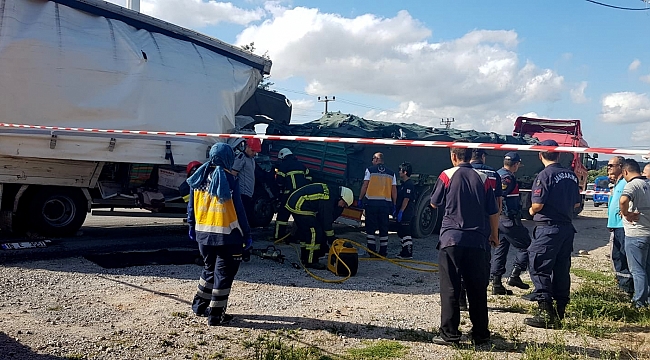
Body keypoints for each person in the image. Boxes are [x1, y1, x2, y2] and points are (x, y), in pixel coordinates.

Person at [429, 147, 500, 346]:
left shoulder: (446, 175)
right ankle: (481, 335)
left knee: (450, 287)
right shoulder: (483, 178)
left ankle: (450, 335)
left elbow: (434, 203)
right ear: (471, 157)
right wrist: (494, 235)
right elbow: (493, 211)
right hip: (478, 240)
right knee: (477, 289)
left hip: (451, 239)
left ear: (453, 156)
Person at [186, 143, 252, 326]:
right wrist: (247, 234)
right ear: (228, 158)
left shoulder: (197, 177)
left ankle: (199, 306)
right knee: (223, 276)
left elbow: (191, 207)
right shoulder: (230, 180)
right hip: (227, 236)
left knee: (208, 270)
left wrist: (192, 226)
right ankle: (216, 316)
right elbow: (239, 210)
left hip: (203, 236)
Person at [524, 139, 581, 329]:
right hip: (566, 228)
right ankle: (561, 309)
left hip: (548, 228)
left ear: (540, 155)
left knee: (539, 265)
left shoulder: (544, 175)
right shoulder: (571, 175)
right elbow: (576, 204)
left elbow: (538, 204)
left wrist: (531, 212)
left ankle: (545, 310)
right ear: (558, 154)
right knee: (561, 268)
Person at [285, 183, 354, 269]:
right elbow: (326, 220)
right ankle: (311, 261)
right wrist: (331, 238)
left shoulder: (331, 193)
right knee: (314, 231)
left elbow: (324, 219)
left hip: (296, 203)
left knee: (306, 232)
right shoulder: (328, 199)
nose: (343, 206)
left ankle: (305, 257)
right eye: (344, 203)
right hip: (299, 205)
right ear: (341, 197)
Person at [491, 152, 531, 292]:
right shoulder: (507, 177)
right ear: (516, 164)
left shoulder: (497, 173)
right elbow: (500, 196)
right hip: (508, 219)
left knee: (501, 249)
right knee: (527, 245)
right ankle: (515, 274)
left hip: (500, 220)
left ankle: (497, 284)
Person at [470, 149, 504, 295]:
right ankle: (480, 293)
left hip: (463, 222)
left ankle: (461, 298)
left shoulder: (461, 171)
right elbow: (498, 204)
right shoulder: (493, 174)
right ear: (483, 157)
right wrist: (494, 231)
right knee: (483, 260)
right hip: (484, 224)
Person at [619, 158, 650, 308]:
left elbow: (623, 200)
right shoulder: (647, 184)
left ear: (625, 171)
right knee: (647, 268)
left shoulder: (632, 185)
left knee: (637, 270)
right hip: (648, 232)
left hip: (636, 233)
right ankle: (647, 298)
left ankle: (639, 302)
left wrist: (626, 213)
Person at [358, 152, 397, 257]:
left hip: (371, 204)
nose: (372, 161)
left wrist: (360, 198)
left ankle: (371, 251)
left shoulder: (370, 170)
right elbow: (394, 190)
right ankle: (383, 252)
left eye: (373, 159)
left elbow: (365, 185)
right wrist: (394, 204)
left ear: (376, 159)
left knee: (370, 229)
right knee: (383, 229)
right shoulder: (391, 173)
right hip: (385, 205)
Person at [607, 156, 634, 296]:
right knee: (616, 256)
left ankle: (627, 288)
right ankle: (621, 284)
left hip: (623, 226)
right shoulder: (617, 184)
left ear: (621, 167)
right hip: (615, 226)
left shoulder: (625, 183)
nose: (608, 168)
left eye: (612, 165)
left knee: (623, 257)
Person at [273, 148, 311, 241]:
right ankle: (300, 237)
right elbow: (309, 178)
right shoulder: (301, 165)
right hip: (302, 195)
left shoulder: (284, 165)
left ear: (282, 156)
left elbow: (279, 181)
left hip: (289, 195)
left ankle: (279, 237)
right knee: (299, 216)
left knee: (282, 216)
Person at [231, 138, 262, 223]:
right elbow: (233, 173)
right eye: (253, 151)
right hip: (242, 193)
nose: (254, 153)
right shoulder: (241, 157)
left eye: (256, 151)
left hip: (249, 193)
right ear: (247, 147)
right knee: (243, 216)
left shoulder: (251, 159)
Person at [395, 162, 415, 259]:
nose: (399, 172)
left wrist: (401, 211)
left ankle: (408, 252)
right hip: (402, 211)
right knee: (401, 232)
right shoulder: (404, 184)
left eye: (400, 170)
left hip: (406, 212)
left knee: (406, 232)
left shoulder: (409, 185)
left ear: (405, 172)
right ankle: (403, 251)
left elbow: (406, 199)